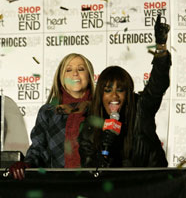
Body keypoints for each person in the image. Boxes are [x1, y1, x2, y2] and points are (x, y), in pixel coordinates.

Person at [79, 14, 170, 168]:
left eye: (120, 90)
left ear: (127, 94)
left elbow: (158, 84)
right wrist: (99, 160)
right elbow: (88, 170)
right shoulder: (90, 126)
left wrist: (161, 47)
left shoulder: (141, 109)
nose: (114, 96)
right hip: (113, 189)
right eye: (107, 90)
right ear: (100, 95)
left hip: (149, 186)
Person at [9, 53, 95, 179]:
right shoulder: (48, 112)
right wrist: (27, 164)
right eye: (68, 70)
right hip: (56, 185)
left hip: (93, 184)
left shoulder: (99, 109)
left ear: (89, 75)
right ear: (61, 77)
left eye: (81, 69)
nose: (75, 73)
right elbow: (38, 148)